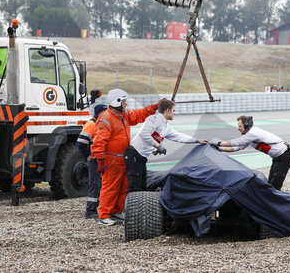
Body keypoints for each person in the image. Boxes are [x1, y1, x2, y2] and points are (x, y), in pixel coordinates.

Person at [91, 89, 159, 226]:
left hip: (123, 159)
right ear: (116, 102)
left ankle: (116, 210)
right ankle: (104, 215)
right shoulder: (106, 119)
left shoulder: (123, 114)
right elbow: (98, 143)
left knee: (123, 186)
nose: (126, 104)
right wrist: (100, 160)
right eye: (123, 101)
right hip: (112, 161)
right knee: (110, 187)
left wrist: (153, 108)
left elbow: (137, 115)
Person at [124, 99, 209, 193]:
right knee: (134, 187)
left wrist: (197, 140)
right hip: (134, 154)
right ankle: (129, 206)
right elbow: (144, 134)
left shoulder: (166, 126)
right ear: (167, 110)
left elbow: (179, 136)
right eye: (173, 110)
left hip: (141, 157)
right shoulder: (153, 119)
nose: (174, 113)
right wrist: (158, 146)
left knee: (142, 187)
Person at [211, 115, 290, 190]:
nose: (238, 128)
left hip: (284, 156)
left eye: (240, 126)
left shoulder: (253, 133)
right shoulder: (249, 135)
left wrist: (218, 143)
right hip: (278, 157)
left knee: (275, 185)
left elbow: (237, 142)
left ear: (246, 126)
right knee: (271, 183)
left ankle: (276, 205)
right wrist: (220, 149)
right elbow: (238, 147)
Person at [77, 104, 108, 219]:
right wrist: (89, 156)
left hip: (99, 159)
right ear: (99, 113)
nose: (107, 114)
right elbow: (81, 143)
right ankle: (90, 211)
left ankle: (96, 208)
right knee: (94, 184)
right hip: (94, 159)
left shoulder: (99, 124)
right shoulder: (91, 124)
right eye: (105, 112)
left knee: (99, 184)